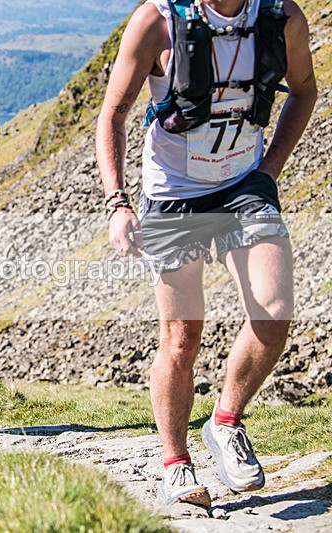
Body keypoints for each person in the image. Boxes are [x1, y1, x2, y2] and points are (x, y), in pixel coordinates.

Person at [96, 0, 316, 507]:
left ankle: (225, 420)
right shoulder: (157, 20)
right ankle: (176, 463)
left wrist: (269, 170)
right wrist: (117, 202)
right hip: (173, 191)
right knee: (181, 337)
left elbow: (303, 91)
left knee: (274, 310)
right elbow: (114, 112)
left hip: (244, 185)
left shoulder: (283, 17)